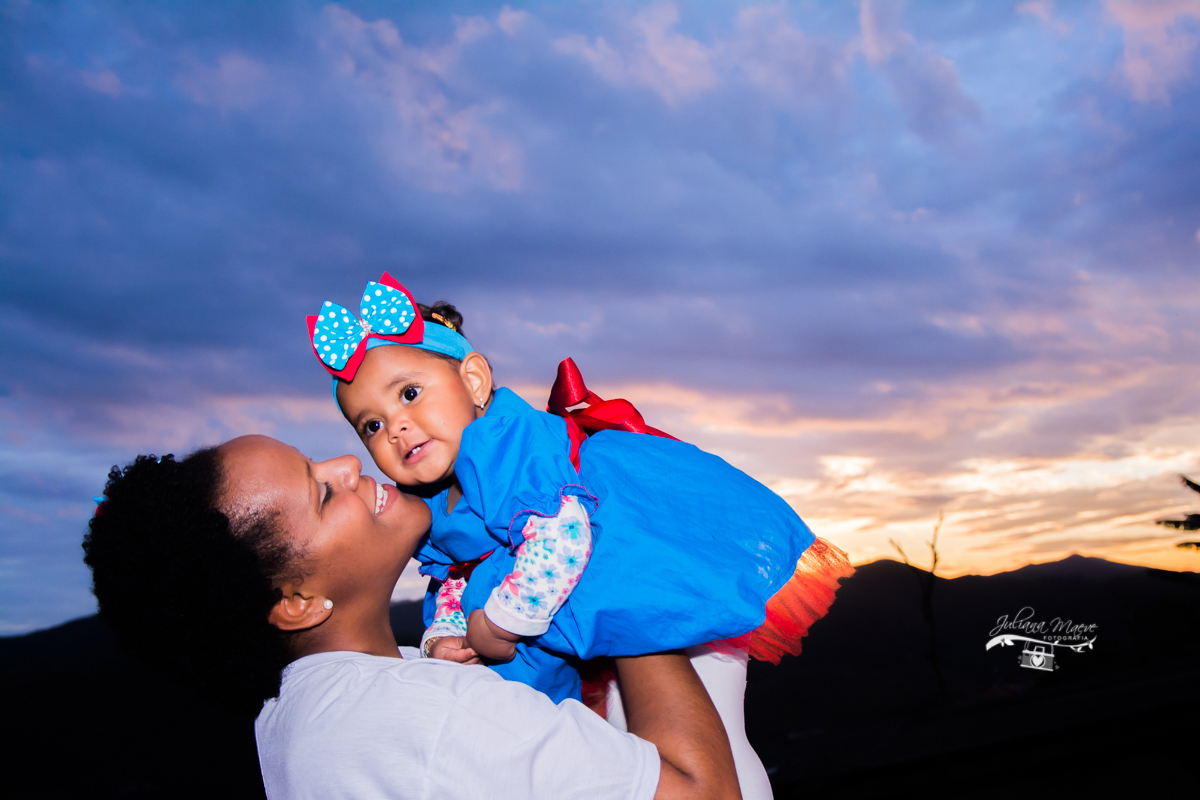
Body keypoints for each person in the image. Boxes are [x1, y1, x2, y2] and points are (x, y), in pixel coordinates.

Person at [309, 273, 856, 798]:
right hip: (595, 614)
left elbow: (562, 538)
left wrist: (500, 620)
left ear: (473, 382)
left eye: (409, 394)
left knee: (716, 721)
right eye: (372, 425)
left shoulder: (503, 443)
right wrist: (442, 637)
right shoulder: (436, 499)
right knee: (635, 741)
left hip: (652, 569)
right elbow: (455, 573)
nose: (396, 427)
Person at [83, 437, 742, 799]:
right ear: (295, 602)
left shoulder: (290, 720)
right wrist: (619, 586)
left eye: (318, 461)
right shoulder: (431, 714)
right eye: (321, 493)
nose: (348, 465)